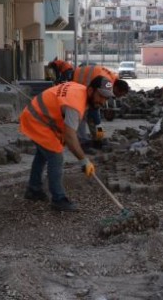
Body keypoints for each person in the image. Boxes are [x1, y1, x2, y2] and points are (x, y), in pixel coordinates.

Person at [20, 76, 113, 211]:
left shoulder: (83, 91)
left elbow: (94, 113)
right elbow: (70, 137)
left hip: (38, 115)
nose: (103, 101)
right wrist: (84, 160)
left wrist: (99, 129)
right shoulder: (74, 104)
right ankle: (58, 199)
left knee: (42, 153)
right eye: (101, 97)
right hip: (37, 119)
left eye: (106, 98)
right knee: (56, 156)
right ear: (91, 90)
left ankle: (33, 189)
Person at [72, 65, 130, 141]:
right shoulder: (107, 83)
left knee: (93, 117)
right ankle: (83, 140)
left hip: (80, 78)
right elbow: (96, 99)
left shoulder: (112, 80)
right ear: (116, 88)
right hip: (77, 80)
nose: (117, 97)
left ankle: (96, 137)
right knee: (82, 115)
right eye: (119, 94)